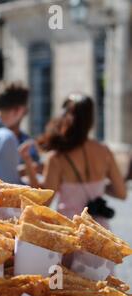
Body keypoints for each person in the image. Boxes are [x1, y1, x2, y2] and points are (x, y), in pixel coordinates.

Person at [19, 93, 127, 227]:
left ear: (66, 117)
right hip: (100, 231)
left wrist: (28, 164)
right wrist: (97, 186)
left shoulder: (57, 157)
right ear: (90, 120)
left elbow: (44, 202)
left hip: (70, 230)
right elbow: (121, 193)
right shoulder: (104, 151)